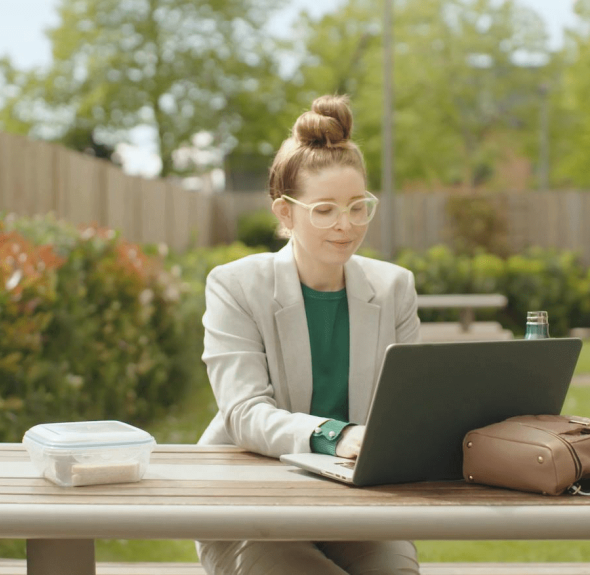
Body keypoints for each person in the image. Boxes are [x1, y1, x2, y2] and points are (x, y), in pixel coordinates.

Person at [194, 94, 421, 574]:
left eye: (359, 207)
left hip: (357, 505)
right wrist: (333, 436)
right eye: (325, 210)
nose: (347, 226)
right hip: (250, 505)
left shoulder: (394, 287)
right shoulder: (235, 285)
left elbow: (406, 409)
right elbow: (244, 412)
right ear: (284, 212)